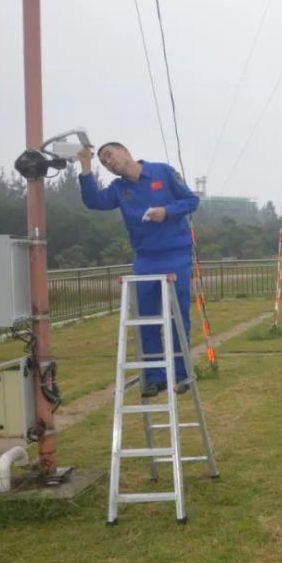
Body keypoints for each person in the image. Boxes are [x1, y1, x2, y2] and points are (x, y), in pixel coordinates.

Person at [77, 143, 199, 396]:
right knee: (145, 316)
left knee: (177, 314)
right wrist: (86, 167)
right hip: (145, 258)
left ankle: (181, 373)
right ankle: (154, 377)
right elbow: (94, 201)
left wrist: (167, 211)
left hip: (175, 252)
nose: (108, 162)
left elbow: (191, 200)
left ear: (126, 151)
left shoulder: (162, 172)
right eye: (103, 162)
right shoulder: (118, 189)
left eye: (109, 155)